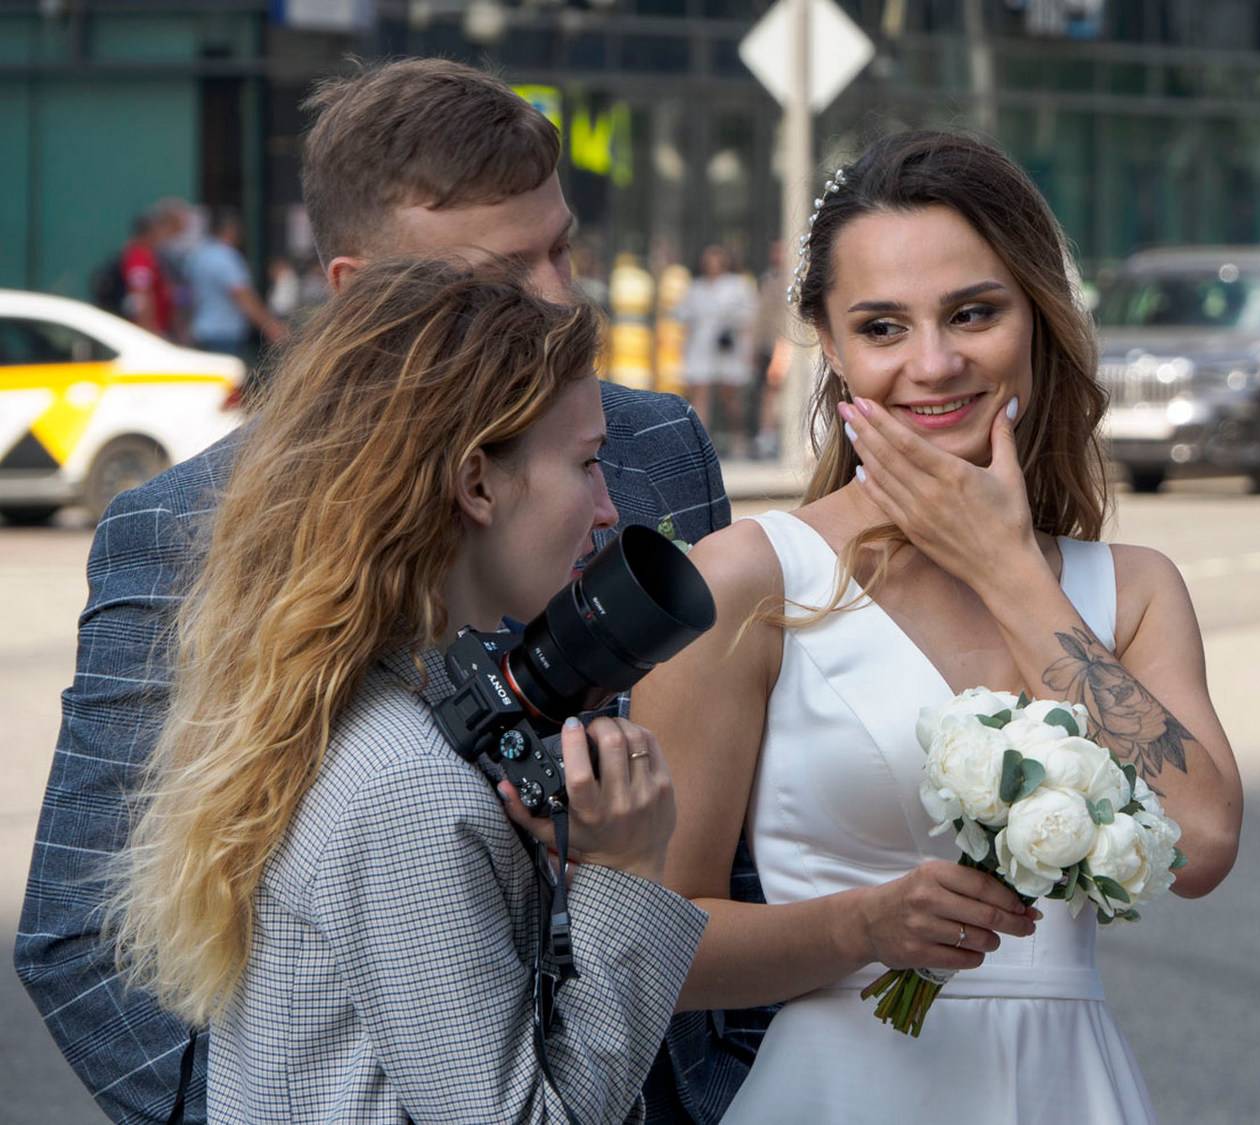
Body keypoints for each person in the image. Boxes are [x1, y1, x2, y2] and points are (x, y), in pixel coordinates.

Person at [15, 58, 766, 1125]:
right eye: (498, 277)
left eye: (563, 250)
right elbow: (85, 934)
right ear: (359, 293)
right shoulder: (184, 528)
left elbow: (744, 841)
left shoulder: (653, 444)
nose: (557, 298)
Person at [632, 131, 1245, 1122]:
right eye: (882, 327)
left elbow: (1203, 842)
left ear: (1036, 315)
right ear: (831, 347)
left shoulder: (1132, 589)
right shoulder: (752, 578)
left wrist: (1008, 567)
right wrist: (858, 927)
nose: (934, 362)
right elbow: (648, 946)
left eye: (973, 313)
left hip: (1068, 1090)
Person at [107, 257, 704, 1121]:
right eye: (587, 463)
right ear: (475, 484)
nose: (609, 508)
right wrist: (629, 871)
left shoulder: (351, 704)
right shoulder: (405, 788)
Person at [676, 245, 756, 456]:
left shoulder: (737, 285)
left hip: (729, 347)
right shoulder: (696, 288)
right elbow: (686, 321)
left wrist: (748, 351)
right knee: (700, 393)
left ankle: (738, 439)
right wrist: (683, 351)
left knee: (731, 396)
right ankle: (700, 443)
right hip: (701, 346)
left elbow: (748, 320)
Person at [183, 208, 288, 368]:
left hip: (201, 330)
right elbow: (243, 297)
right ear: (231, 230)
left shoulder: (199, 255)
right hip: (224, 334)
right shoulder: (227, 257)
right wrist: (271, 327)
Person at [750, 239, 789, 460]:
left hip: (791, 344)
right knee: (770, 390)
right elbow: (761, 316)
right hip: (771, 344)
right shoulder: (768, 280)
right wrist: (756, 347)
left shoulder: (802, 278)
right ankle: (768, 436)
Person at [119, 210, 176, 337]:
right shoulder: (139, 259)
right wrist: (149, 332)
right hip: (148, 332)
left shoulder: (149, 256)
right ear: (150, 233)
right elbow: (141, 296)